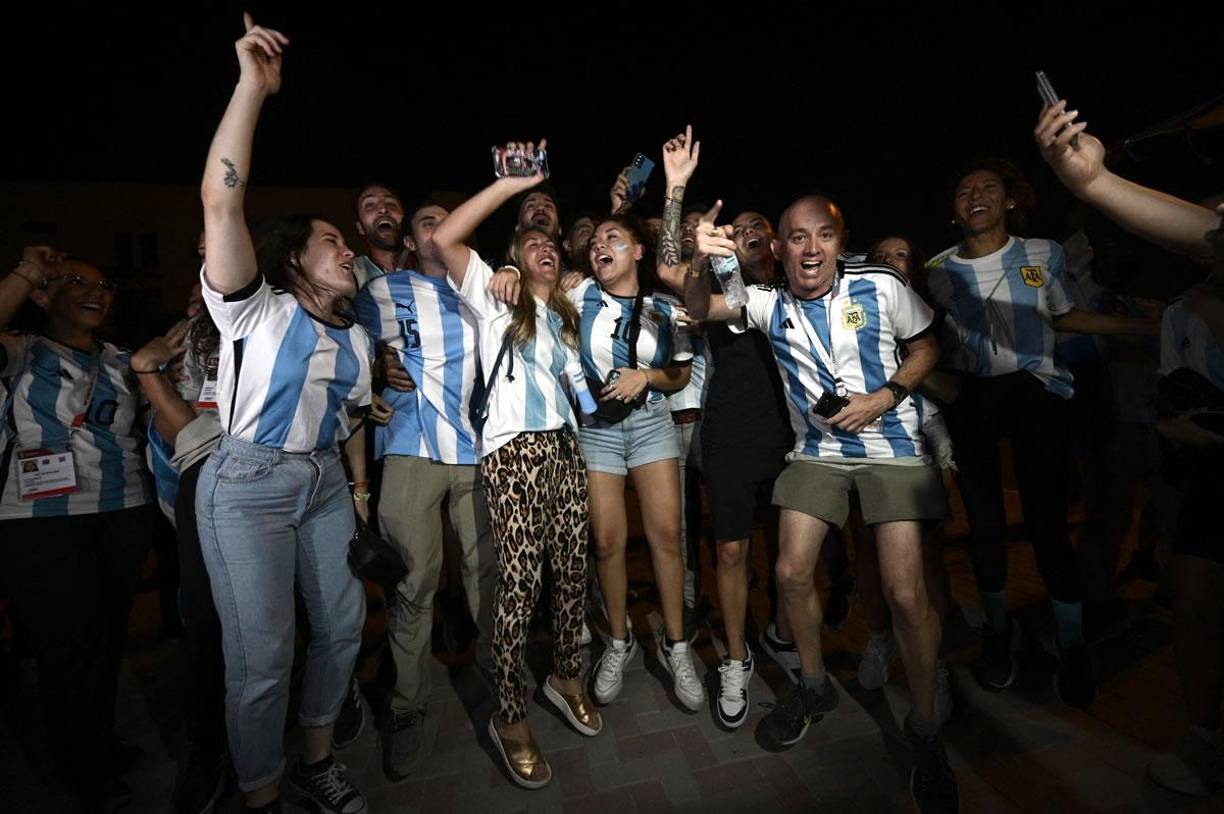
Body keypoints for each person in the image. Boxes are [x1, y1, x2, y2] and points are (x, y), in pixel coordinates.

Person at [687, 195, 958, 813]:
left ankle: (924, 728)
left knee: (907, 594)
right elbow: (698, 308)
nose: (811, 249)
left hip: (893, 445)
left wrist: (886, 396)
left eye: (824, 235)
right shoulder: (766, 302)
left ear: (840, 240)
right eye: (797, 238)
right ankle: (812, 686)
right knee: (788, 572)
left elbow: (926, 350)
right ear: (778, 249)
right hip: (818, 452)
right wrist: (701, 261)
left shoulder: (883, 286)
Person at [195, 16, 372, 813]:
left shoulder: (359, 341)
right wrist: (251, 90)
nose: (348, 251)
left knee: (341, 628)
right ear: (294, 258)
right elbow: (220, 202)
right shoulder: (253, 310)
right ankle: (259, 791)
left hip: (325, 484)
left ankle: (316, 758)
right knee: (262, 656)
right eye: (332, 240)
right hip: (248, 485)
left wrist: (357, 492)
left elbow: (351, 423)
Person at [1034, 99, 1224, 796]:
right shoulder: (1183, 308)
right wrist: (1094, 184)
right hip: (1172, 445)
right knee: (1194, 590)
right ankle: (1202, 736)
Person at [926, 158, 1159, 709]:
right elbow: (927, 338)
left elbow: (1068, 317)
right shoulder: (937, 268)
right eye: (963, 190)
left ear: (1010, 200)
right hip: (975, 398)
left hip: (1036, 395)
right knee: (984, 527)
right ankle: (999, 635)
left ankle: (1072, 646)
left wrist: (1149, 326)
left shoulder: (1043, 254)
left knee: (1047, 527)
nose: (974, 196)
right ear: (955, 210)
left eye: (987, 188)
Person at [428, 142, 602, 790]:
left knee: (571, 575)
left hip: (564, 447)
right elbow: (446, 236)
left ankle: (565, 676)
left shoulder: (565, 312)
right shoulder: (493, 295)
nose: (545, 250)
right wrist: (509, 184)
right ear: (512, 253)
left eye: (550, 244)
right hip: (512, 450)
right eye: (530, 244)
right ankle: (509, 716)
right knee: (520, 583)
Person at [0, 247, 157, 811]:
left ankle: (95, 743)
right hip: (42, 521)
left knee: (106, 638)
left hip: (120, 510)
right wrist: (26, 271)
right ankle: (80, 767)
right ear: (42, 296)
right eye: (76, 282)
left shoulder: (120, 357)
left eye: (103, 283)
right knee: (68, 646)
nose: (97, 291)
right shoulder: (21, 350)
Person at [353, 200, 498, 783]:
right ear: (412, 242)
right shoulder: (380, 293)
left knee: (486, 572)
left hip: (480, 449)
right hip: (410, 447)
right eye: (427, 223)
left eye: (448, 220)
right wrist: (373, 362)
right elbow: (344, 345)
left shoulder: (482, 286)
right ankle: (408, 707)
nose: (439, 230)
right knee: (413, 583)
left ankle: (502, 681)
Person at [129, 282, 229, 814]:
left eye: (209, 302)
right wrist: (152, 371)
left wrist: (150, 373)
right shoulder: (172, 359)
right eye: (190, 303)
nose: (198, 312)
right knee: (204, 632)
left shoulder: (248, 348)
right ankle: (207, 749)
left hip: (248, 502)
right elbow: (178, 439)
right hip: (186, 504)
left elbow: (196, 434)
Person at [855, 235, 956, 725]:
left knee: (927, 564)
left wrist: (908, 371)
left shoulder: (931, 321)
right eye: (877, 256)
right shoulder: (853, 312)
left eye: (897, 254)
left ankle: (933, 665)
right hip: (860, 451)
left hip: (920, 447)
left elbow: (954, 386)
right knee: (869, 558)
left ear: (912, 268)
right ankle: (879, 640)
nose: (886, 263)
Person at [351, 182, 407, 286]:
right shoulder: (352, 273)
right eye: (369, 205)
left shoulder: (428, 265)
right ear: (360, 228)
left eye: (391, 204)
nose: (383, 209)